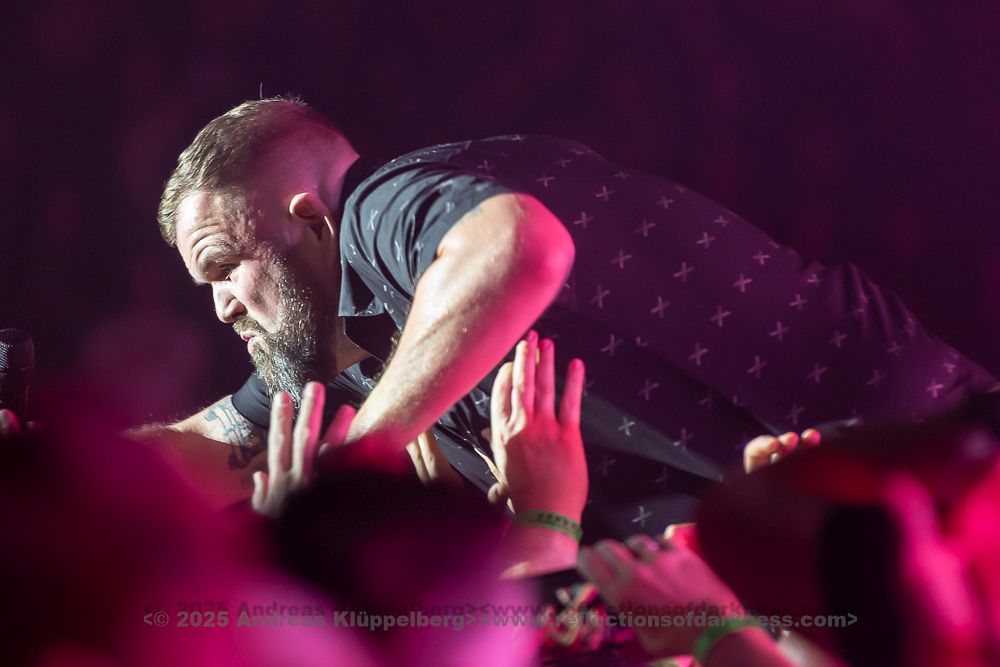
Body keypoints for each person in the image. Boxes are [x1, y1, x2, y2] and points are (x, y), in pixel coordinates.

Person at [145, 95, 996, 538]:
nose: (221, 305)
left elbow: (520, 247)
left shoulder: (385, 208)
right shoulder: (353, 351)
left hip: (931, 456)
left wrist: (360, 457)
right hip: (843, 549)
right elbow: (197, 448)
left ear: (311, 221)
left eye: (223, 265)